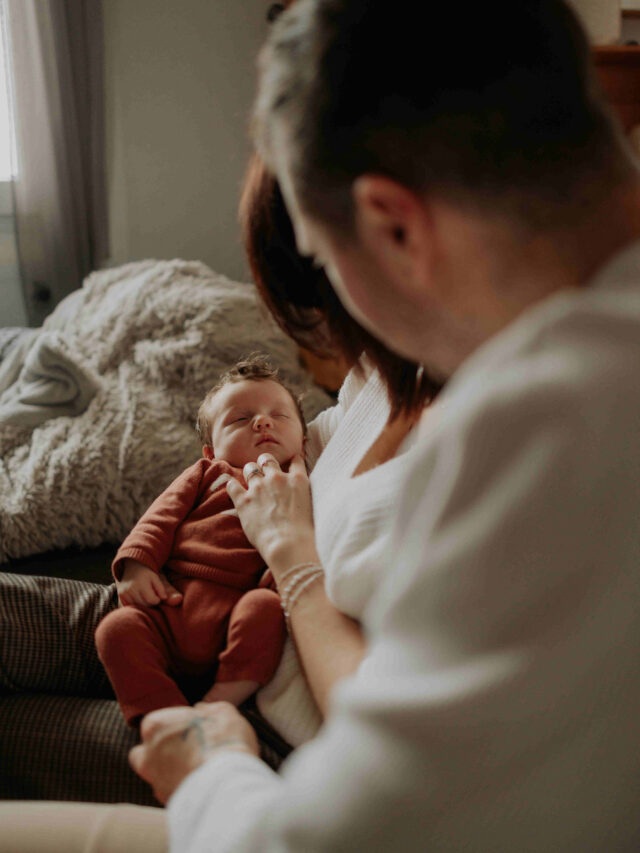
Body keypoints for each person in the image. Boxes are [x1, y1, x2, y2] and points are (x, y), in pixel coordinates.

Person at [3, 0, 640, 849]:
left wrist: (219, 756)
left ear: (392, 223)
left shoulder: (552, 429)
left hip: (267, 745)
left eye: (328, 260)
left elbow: (342, 832)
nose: (341, 326)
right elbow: (331, 419)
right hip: (194, 610)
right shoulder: (420, 366)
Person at [94, 357, 304, 726]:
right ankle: (165, 717)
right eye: (241, 419)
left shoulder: (297, 487)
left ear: (304, 436)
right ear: (210, 450)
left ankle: (223, 696)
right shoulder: (208, 473)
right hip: (170, 607)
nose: (263, 421)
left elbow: (291, 557)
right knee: (116, 629)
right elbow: (160, 517)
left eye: (280, 415)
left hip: (237, 617)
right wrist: (137, 564)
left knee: (265, 610)